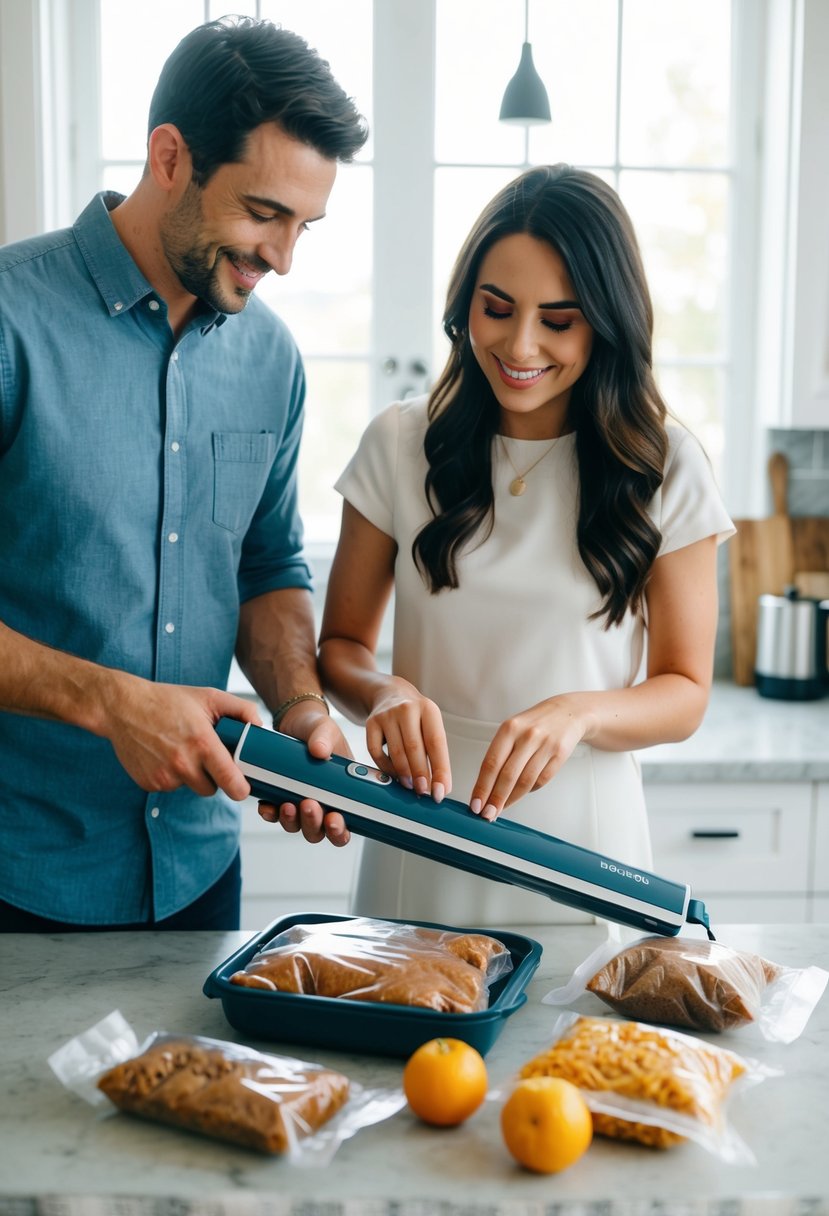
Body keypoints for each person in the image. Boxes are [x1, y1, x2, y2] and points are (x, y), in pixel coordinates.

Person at [0, 16, 368, 931]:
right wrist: (113, 704)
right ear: (170, 157)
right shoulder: (10, 323)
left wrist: (301, 707)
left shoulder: (271, 361)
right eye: (262, 213)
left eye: (303, 226)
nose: (281, 257)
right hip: (19, 875)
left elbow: (265, 570)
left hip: (199, 876)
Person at [316, 164, 734, 927]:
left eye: (558, 319)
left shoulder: (664, 463)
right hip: (423, 823)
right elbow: (340, 645)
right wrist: (384, 693)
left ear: (605, 321)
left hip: (584, 837)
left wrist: (578, 714)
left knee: (586, 1048)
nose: (519, 344)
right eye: (496, 308)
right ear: (464, 305)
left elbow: (684, 690)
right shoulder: (399, 443)